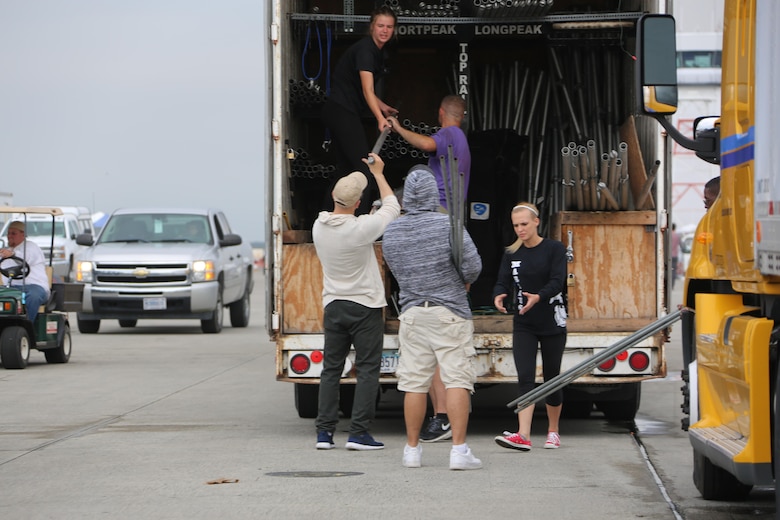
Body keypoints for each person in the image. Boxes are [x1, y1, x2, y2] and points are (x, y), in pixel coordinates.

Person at [382, 166, 483, 470]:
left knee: (414, 383)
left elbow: (393, 268)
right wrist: (457, 278)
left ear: (406, 198)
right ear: (432, 195)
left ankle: (412, 450)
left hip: (412, 313)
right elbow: (473, 267)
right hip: (449, 311)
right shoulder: (448, 225)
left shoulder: (393, 230)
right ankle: (458, 451)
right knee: (456, 379)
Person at [387, 94, 471, 442]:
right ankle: (443, 419)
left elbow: (424, 142)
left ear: (442, 114)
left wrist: (396, 128)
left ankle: (437, 422)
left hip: (436, 215)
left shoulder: (451, 136)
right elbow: (472, 265)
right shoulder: (459, 142)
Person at [312, 153, 400, 451]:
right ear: (359, 203)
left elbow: (341, 218)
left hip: (334, 305)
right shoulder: (362, 228)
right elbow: (392, 206)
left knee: (331, 369)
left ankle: (324, 433)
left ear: (334, 198)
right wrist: (378, 174)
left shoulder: (319, 227)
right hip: (364, 306)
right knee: (367, 369)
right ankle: (358, 433)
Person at [493, 203, 568, 451]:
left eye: (524, 224)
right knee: (525, 377)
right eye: (516, 225)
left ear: (536, 222)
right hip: (524, 322)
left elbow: (558, 280)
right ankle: (523, 433)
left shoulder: (554, 249)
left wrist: (539, 296)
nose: (520, 229)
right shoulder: (512, 253)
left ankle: (553, 430)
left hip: (552, 320)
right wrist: (500, 295)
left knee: (551, 378)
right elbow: (503, 281)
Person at [321, 6, 398, 215]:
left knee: (346, 171)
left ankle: (325, 218)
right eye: (380, 25)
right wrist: (380, 117)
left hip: (339, 110)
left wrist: (383, 107)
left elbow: (363, 88)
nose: (384, 30)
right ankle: (360, 221)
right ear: (372, 26)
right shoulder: (366, 51)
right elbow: (367, 88)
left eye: (389, 27)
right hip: (342, 111)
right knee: (365, 169)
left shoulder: (376, 52)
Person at [0, 221, 51, 324]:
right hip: (11, 288)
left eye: (13, 233)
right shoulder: (6, 252)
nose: (10, 236)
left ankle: (27, 326)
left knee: (33, 296)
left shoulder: (31, 247)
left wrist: (12, 254)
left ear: (22, 234)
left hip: (34, 287)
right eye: (8, 233)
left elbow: (25, 257)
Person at [670, 223, 681, 288]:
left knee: (668, 270)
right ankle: (672, 285)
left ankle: (668, 284)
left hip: (669, 255)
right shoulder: (677, 235)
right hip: (675, 255)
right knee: (674, 270)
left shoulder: (669, 235)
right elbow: (681, 245)